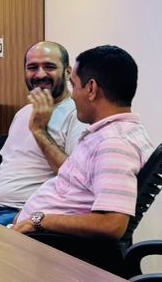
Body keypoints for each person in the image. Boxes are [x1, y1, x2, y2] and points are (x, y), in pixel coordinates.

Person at [12, 45, 154, 241]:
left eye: (74, 85)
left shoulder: (114, 144)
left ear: (91, 89)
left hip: (45, 245)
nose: (72, 95)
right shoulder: (114, 133)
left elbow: (112, 224)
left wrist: (38, 220)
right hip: (32, 237)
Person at [0, 42, 89, 225]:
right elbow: (8, 165)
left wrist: (39, 131)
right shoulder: (23, 113)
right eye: (32, 67)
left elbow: (73, 178)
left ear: (67, 72)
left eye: (49, 67)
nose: (40, 74)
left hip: (29, 215)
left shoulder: (77, 115)